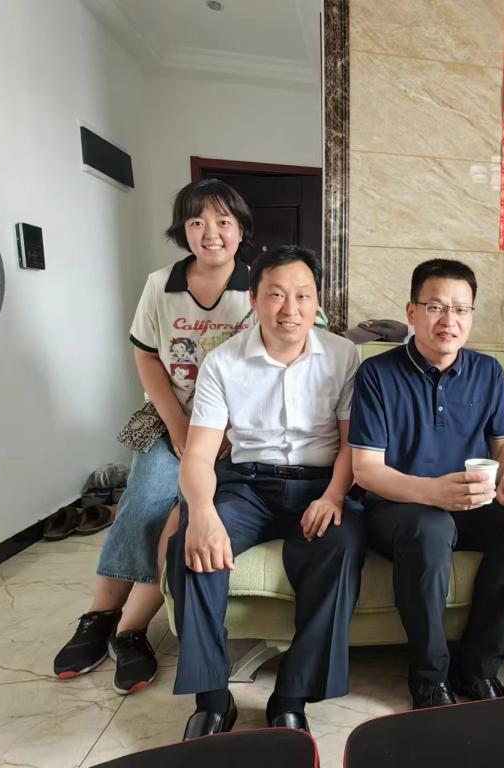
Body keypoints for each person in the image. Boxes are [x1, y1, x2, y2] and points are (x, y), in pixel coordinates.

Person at [54, 179, 254, 694]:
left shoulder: (257, 288)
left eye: (223, 222)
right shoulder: (161, 284)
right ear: (183, 230)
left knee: (178, 514)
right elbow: (146, 356)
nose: (211, 233)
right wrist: (179, 425)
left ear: (241, 230)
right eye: (197, 222)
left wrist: (226, 431)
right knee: (143, 500)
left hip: (235, 433)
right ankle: (99, 616)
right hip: (171, 420)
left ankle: (131, 629)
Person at [165, 245, 366, 738]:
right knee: (189, 544)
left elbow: (351, 445)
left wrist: (334, 496)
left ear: (317, 301)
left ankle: (292, 696)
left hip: (320, 486)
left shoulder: (343, 355)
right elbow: (198, 455)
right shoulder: (223, 362)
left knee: (342, 545)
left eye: (302, 295)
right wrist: (202, 512)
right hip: (248, 487)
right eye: (275, 295)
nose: (289, 309)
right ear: (253, 299)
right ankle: (213, 698)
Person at [349, 258, 504, 710]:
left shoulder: (488, 371)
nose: (449, 320)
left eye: (461, 309)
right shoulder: (377, 374)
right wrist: (432, 492)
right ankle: (429, 677)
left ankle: (478, 667)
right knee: (431, 527)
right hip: (399, 505)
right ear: (412, 312)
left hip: (470, 500)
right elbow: (367, 471)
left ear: (471, 316)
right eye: (436, 307)